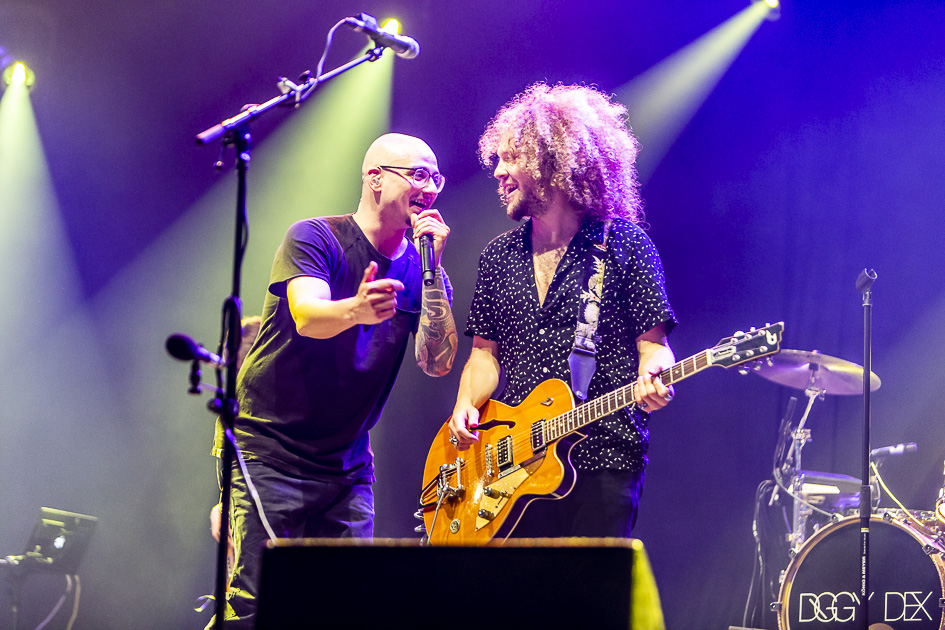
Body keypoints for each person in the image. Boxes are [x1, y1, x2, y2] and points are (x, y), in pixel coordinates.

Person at [211, 133, 458, 627]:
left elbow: (437, 362)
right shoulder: (315, 236)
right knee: (256, 604)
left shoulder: (424, 271)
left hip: (346, 464)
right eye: (417, 174)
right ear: (375, 178)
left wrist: (432, 269)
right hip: (270, 449)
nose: (429, 187)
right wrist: (357, 310)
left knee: (346, 603)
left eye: (435, 177)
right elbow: (307, 316)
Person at [448, 83, 677, 538]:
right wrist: (464, 405)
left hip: (603, 458)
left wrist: (656, 375)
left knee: (590, 586)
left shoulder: (625, 245)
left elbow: (653, 347)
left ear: (551, 162)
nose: (498, 171)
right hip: (518, 468)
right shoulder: (498, 257)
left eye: (511, 158)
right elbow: (483, 355)